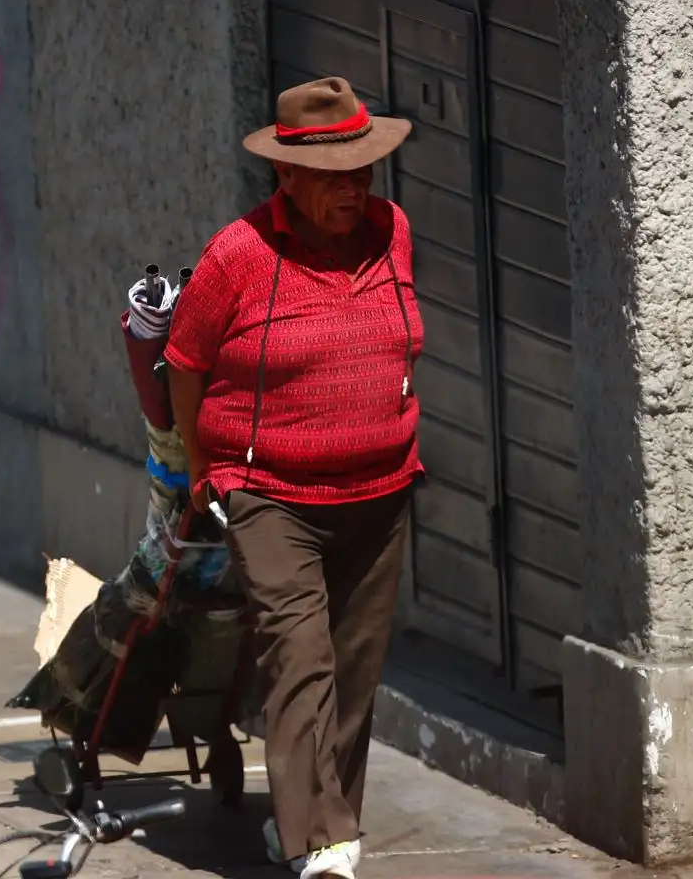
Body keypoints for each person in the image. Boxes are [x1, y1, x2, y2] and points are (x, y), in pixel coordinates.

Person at [164, 77, 423, 879]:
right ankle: (318, 844)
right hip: (270, 490)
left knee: (355, 668)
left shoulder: (393, 229)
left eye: (365, 170)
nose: (356, 189)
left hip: (381, 488)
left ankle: (327, 824)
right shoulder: (239, 254)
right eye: (336, 175)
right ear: (286, 178)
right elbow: (185, 360)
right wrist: (208, 472)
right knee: (300, 656)